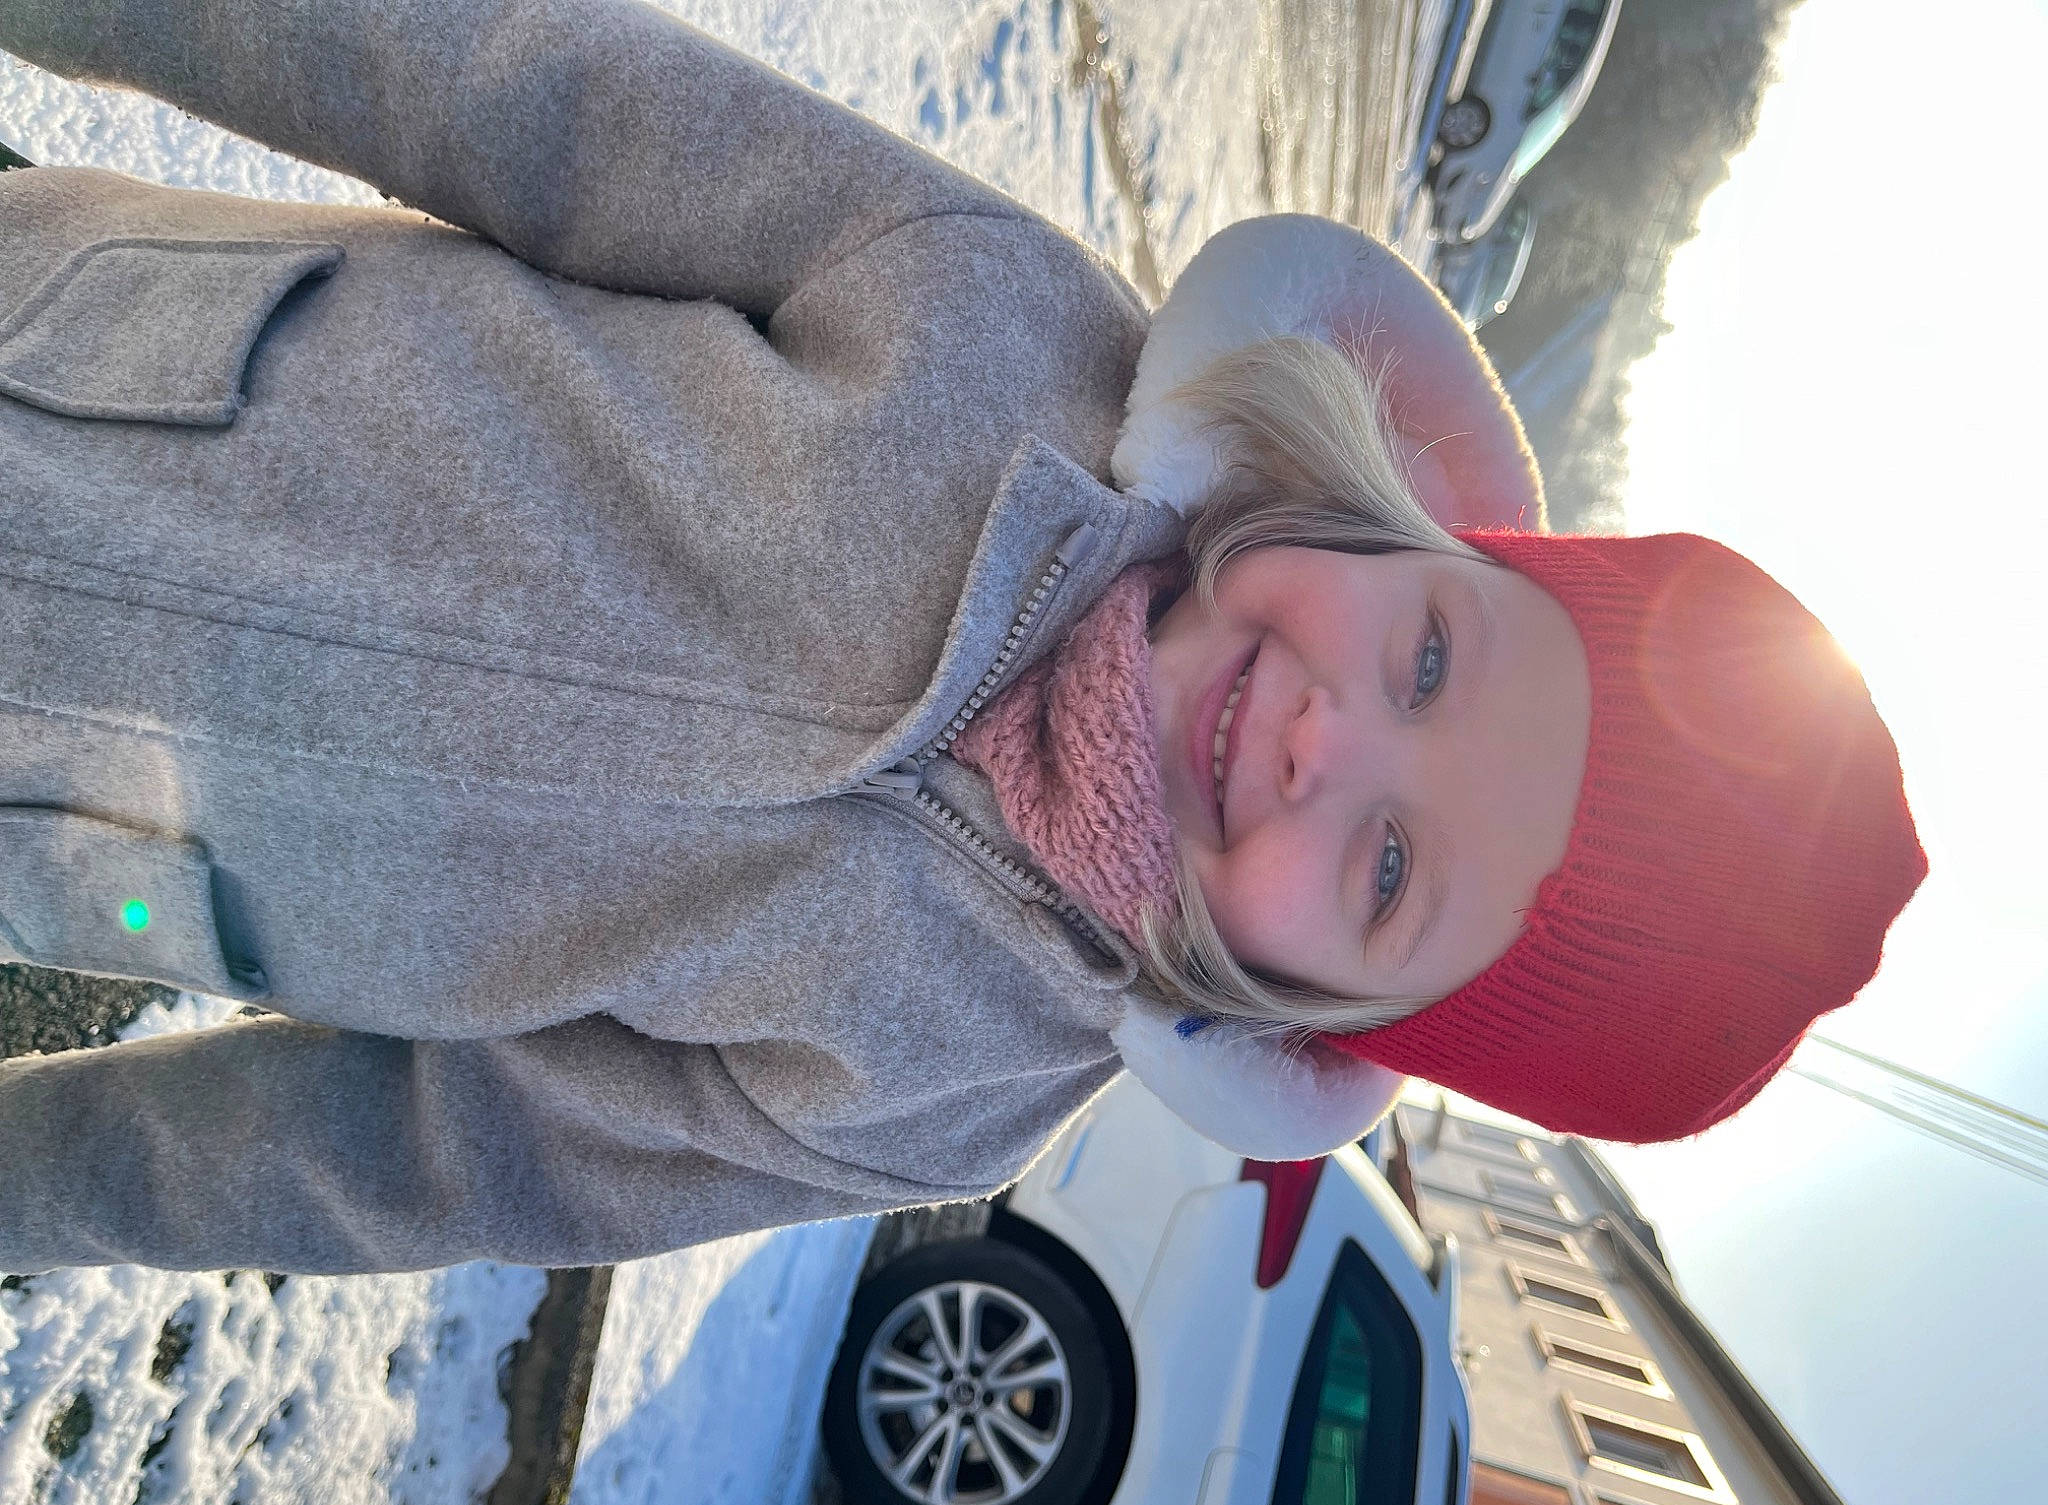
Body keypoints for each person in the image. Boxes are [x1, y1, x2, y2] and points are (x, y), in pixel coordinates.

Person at [0, 0, 1923, 1276]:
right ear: (1427, 532)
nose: (1335, 742)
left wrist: (43, 1185)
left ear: (1332, 1020)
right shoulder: (994, 333)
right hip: (66, 358)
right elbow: (517, 95)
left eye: (1396, 866)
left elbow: (422, 1158)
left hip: (60, 820)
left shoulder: (945, 1088)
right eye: (1430, 661)